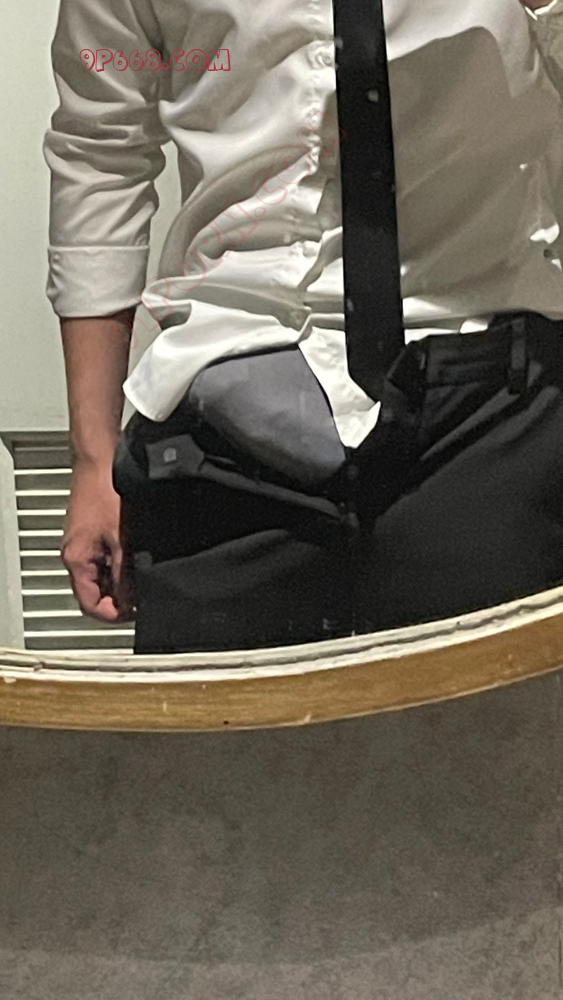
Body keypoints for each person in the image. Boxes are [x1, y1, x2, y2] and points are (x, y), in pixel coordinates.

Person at [45, 0, 563, 653]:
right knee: (215, 718)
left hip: (492, 399)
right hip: (222, 424)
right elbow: (100, 154)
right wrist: (94, 460)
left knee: (500, 714)